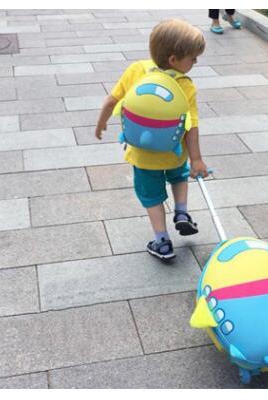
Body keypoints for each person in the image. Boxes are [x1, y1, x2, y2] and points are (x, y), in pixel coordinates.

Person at [95, 19, 208, 261]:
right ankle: (181, 212)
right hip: (175, 152)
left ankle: (162, 242)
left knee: (152, 197)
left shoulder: (137, 70)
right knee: (179, 176)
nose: (195, 62)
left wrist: (102, 122)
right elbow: (191, 125)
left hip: (143, 156)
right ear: (174, 60)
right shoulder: (185, 85)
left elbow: (111, 101)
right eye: (193, 58)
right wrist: (197, 159)